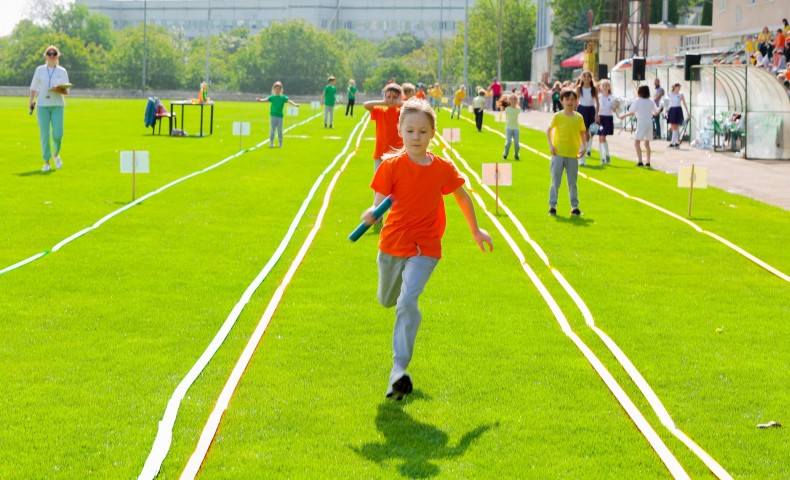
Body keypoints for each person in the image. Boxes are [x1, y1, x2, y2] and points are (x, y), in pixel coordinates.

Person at [360, 97, 493, 400]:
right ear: (400, 131)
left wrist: (476, 230)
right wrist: (372, 214)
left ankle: (398, 370)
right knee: (387, 300)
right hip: (392, 244)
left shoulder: (442, 168)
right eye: (410, 131)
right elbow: (378, 203)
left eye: (422, 131)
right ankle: (404, 318)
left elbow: (462, 196)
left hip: (426, 246)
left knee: (408, 300)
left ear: (432, 133)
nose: (416, 137)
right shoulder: (390, 166)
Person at [546, 88, 586, 217]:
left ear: (576, 101)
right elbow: (549, 131)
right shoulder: (558, 116)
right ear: (561, 101)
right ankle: (552, 206)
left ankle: (574, 207)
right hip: (558, 153)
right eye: (567, 99)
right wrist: (551, 146)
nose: (570, 102)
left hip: (572, 154)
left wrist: (584, 147)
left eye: (572, 99)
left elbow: (582, 132)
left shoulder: (579, 117)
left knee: (572, 182)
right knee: (555, 181)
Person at [364, 83, 404, 175]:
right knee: (378, 180)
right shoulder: (380, 111)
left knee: (397, 180)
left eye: (394, 97)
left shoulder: (402, 113)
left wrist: (399, 102)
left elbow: (414, 106)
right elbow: (366, 105)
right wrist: (383, 102)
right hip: (380, 153)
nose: (391, 100)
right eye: (388, 97)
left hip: (397, 153)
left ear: (399, 98)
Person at [618, 85, 658, 167]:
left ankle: (640, 161)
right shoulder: (651, 101)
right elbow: (656, 113)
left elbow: (632, 111)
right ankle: (648, 162)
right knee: (647, 144)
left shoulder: (637, 101)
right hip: (649, 122)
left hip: (641, 122)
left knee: (637, 143)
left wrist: (623, 116)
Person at [256, 81, 299, 148]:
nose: (277, 90)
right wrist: (260, 100)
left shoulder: (283, 97)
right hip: (273, 116)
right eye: (276, 88)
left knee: (279, 130)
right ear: (274, 89)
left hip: (280, 116)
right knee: (272, 130)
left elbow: (289, 101)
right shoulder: (272, 97)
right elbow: (265, 100)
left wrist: (295, 104)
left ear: (281, 89)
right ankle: (271, 143)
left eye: (279, 88)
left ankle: (280, 143)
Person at [575, 70, 599, 164]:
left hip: (591, 110)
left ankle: (586, 150)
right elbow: (576, 100)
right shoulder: (579, 88)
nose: (586, 78)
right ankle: (582, 158)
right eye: (584, 76)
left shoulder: (594, 89)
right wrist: (574, 111)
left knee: (588, 133)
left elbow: (597, 102)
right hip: (582, 109)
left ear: (591, 78)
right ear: (582, 78)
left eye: (588, 77)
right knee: (582, 132)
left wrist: (596, 114)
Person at [596, 79, 616, 165]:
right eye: (603, 85)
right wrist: (596, 116)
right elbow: (596, 107)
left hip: (608, 117)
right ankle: (603, 157)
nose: (605, 87)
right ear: (601, 87)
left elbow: (613, 110)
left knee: (603, 137)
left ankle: (607, 155)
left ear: (609, 87)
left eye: (607, 85)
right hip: (600, 118)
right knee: (600, 137)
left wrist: (616, 105)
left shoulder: (611, 97)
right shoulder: (598, 97)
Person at [666, 83, 688, 148]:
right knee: (673, 126)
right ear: (674, 87)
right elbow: (666, 103)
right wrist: (666, 111)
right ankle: (676, 141)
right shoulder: (669, 94)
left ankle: (672, 142)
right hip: (672, 109)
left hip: (678, 109)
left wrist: (687, 112)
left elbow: (684, 103)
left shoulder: (681, 94)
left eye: (679, 87)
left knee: (676, 125)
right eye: (678, 87)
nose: (679, 89)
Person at [500, 94, 521, 160]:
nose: (513, 101)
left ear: (517, 101)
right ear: (509, 100)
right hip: (508, 128)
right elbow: (504, 116)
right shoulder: (507, 109)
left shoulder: (518, 109)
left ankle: (516, 155)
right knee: (508, 142)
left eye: (514, 99)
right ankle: (505, 154)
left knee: (516, 143)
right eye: (511, 99)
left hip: (516, 128)